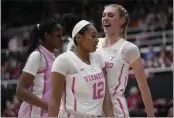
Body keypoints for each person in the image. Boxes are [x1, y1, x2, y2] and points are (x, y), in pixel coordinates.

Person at [48, 13, 113, 117]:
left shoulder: (98, 58)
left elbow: (106, 97)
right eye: (93, 36)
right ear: (78, 38)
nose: (97, 39)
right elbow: (54, 102)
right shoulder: (63, 61)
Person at [97, 4, 155, 117]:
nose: (105, 18)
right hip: (92, 109)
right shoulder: (95, 43)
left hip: (115, 110)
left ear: (122, 20)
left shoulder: (129, 49)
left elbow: (143, 85)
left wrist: (151, 115)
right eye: (103, 15)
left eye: (110, 15)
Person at [16, 19, 63, 117]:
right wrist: (49, 107)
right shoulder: (37, 56)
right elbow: (20, 91)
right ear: (47, 36)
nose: (62, 39)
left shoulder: (53, 57)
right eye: (58, 36)